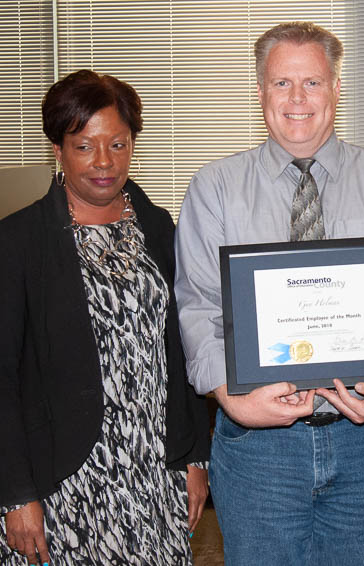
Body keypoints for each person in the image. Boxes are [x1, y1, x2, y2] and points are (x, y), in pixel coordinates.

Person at [175, 22, 364, 566]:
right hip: (257, 447)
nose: (298, 99)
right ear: (261, 93)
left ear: (335, 89)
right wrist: (229, 397)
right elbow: (198, 302)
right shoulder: (214, 188)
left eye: (312, 82)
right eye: (282, 84)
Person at [0, 70, 211, 566]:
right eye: (84, 146)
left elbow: (184, 347)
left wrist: (194, 456)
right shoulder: (19, 241)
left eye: (117, 144)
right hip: (61, 477)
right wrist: (14, 494)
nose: (103, 162)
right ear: (57, 149)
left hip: (153, 471)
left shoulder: (158, 226)